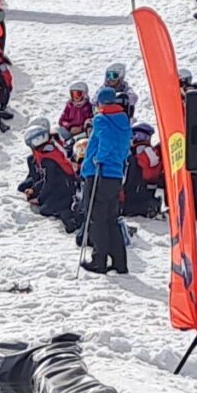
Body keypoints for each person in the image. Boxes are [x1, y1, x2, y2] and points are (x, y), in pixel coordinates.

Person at [79, 87, 132, 274]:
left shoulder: (101, 119)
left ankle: (98, 260)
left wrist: (99, 159)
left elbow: (106, 141)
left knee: (97, 218)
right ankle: (120, 261)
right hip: (115, 174)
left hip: (99, 173)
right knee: (111, 218)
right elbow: (125, 147)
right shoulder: (124, 121)